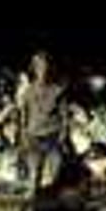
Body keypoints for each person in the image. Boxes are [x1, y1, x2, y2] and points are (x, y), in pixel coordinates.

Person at [17, 51, 68, 189]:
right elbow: (24, 117)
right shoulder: (28, 92)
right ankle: (33, 208)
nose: (42, 70)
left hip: (53, 137)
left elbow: (64, 115)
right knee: (34, 177)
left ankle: (53, 206)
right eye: (39, 66)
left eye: (45, 66)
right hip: (34, 138)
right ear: (34, 69)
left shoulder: (58, 90)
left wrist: (63, 135)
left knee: (56, 176)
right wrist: (23, 137)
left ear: (50, 68)